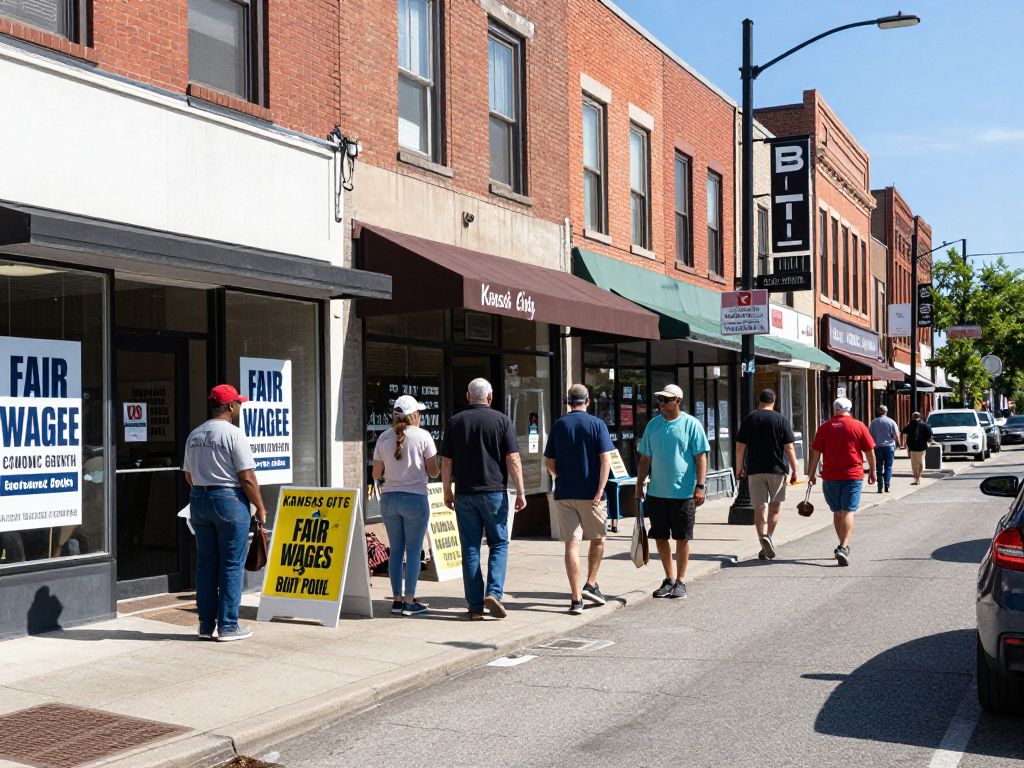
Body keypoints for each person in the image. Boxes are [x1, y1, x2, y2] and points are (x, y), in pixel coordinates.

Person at [182, 384, 267, 642]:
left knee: (206, 566)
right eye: (238, 403)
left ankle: (205, 625)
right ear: (230, 406)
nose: (239, 407)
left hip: (199, 499)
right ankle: (229, 626)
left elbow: (188, 475)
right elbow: (247, 477)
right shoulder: (234, 434)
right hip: (228, 499)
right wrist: (260, 507)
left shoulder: (194, 435)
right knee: (231, 565)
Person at [440, 378, 527, 620]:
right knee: (499, 544)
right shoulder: (501, 420)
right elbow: (513, 459)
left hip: (466, 494)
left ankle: (476, 606)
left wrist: (447, 491)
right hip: (494, 493)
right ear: (489, 397)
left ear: (468, 396)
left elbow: (446, 462)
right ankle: (494, 593)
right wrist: (520, 490)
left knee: (470, 549)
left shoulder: (455, 422)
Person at [544, 384, 614, 615]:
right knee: (598, 539)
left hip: (565, 493)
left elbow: (549, 462)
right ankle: (591, 584)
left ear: (568, 401)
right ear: (588, 401)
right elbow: (606, 460)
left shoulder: (559, 425)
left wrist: (560, 477)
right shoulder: (597, 424)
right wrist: (600, 489)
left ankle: (576, 600)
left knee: (572, 545)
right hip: (590, 494)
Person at [636, 384, 709, 600]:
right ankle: (668, 578)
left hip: (684, 493)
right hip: (657, 492)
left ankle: (681, 581)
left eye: (666, 399)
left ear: (678, 400)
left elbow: (701, 457)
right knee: (659, 537)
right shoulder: (653, 425)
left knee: (682, 539)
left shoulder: (691, 424)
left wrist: (701, 485)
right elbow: (645, 458)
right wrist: (639, 484)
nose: (661, 403)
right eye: (660, 399)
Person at [372, 394, 439, 617]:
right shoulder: (423, 436)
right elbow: (433, 471)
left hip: (389, 498)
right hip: (415, 498)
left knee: (396, 551)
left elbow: (375, 473)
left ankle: (397, 600)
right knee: (413, 551)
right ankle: (410, 601)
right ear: (414, 415)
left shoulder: (383, 438)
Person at [807, 397, 876, 567]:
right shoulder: (858, 426)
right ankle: (843, 547)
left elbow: (815, 452)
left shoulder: (825, 427)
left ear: (834, 409)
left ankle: (842, 546)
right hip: (853, 474)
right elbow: (869, 451)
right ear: (850, 409)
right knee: (848, 511)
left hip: (830, 475)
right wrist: (873, 471)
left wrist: (811, 474)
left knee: (838, 512)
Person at [735, 388, 799, 561]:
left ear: (759, 400)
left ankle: (762, 538)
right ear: (774, 401)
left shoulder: (750, 419)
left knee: (759, 507)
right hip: (777, 470)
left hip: (755, 470)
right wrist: (795, 470)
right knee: (775, 506)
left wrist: (739, 467)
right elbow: (789, 447)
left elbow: (740, 447)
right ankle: (769, 536)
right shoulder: (781, 419)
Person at [868, 404, 900, 494]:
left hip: (877, 447)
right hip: (889, 447)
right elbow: (896, 435)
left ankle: (879, 487)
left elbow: (869, 435)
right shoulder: (891, 422)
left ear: (879, 411)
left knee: (879, 467)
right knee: (888, 467)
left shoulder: (873, 422)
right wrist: (899, 444)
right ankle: (887, 485)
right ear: (886, 412)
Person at [901, 411, 934, 485]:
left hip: (912, 447)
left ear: (913, 417)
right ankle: (918, 478)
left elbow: (903, 431)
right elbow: (929, 437)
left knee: (914, 464)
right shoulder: (926, 425)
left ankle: (916, 478)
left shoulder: (910, 425)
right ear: (920, 417)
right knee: (921, 463)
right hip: (922, 447)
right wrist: (930, 442)